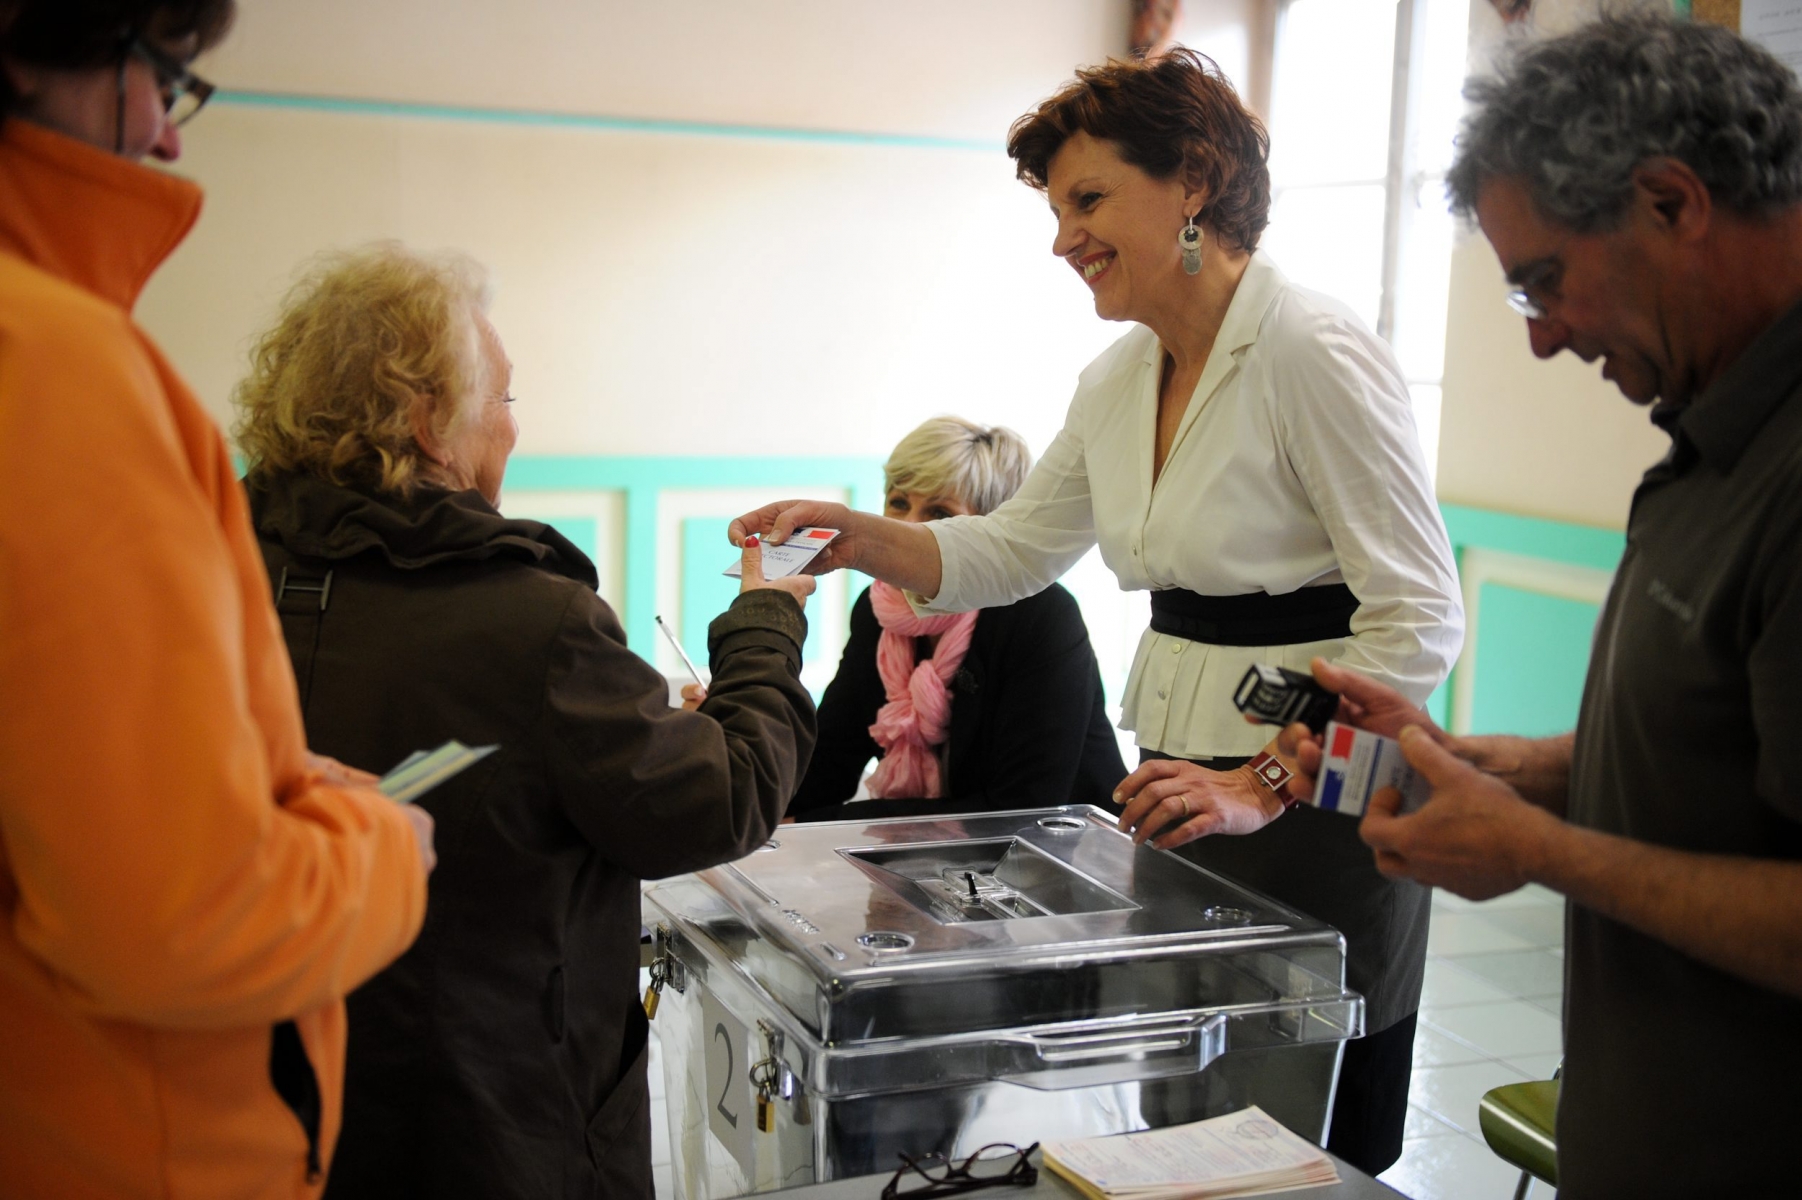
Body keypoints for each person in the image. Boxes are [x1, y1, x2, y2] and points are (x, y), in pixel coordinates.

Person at [730, 49, 1461, 1173]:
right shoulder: (1117, 380)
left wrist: (1263, 783)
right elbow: (1015, 549)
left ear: (1193, 183)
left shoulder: (1309, 350)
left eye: (1086, 199)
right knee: (1196, 1119)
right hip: (1184, 791)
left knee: (1308, 1121)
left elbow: (1416, 620)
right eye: (1055, 208)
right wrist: (854, 534)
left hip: (1320, 798)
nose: (1062, 237)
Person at [1274, 15, 1802, 1196]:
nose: (1545, 339)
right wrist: (1482, 767)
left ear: (1671, 203)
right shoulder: (1717, 427)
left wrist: (1542, 853)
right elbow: (1724, 764)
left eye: (1543, 284)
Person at [232, 244, 818, 1200]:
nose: (514, 428)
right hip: (487, 1123)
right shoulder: (529, 621)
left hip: (270, 1094)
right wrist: (768, 622)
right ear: (429, 420)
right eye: (502, 399)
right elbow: (718, 802)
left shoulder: (220, 567)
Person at [0, 4, 432, 1198]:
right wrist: (384, 845)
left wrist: (262, 789)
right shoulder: (60, 371)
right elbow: (183, 916)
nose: (169, 136)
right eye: (166, 78)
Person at [783, 416, 1125, 820]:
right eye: (898, 502)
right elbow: (830, 763)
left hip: (1069, 858)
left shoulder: (1042, 616)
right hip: (942, 859)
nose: (906, 527)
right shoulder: (878, 609)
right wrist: (735, 737)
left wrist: (811, 824)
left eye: (939, 514)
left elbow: (1019, 809)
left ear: (989, 531)